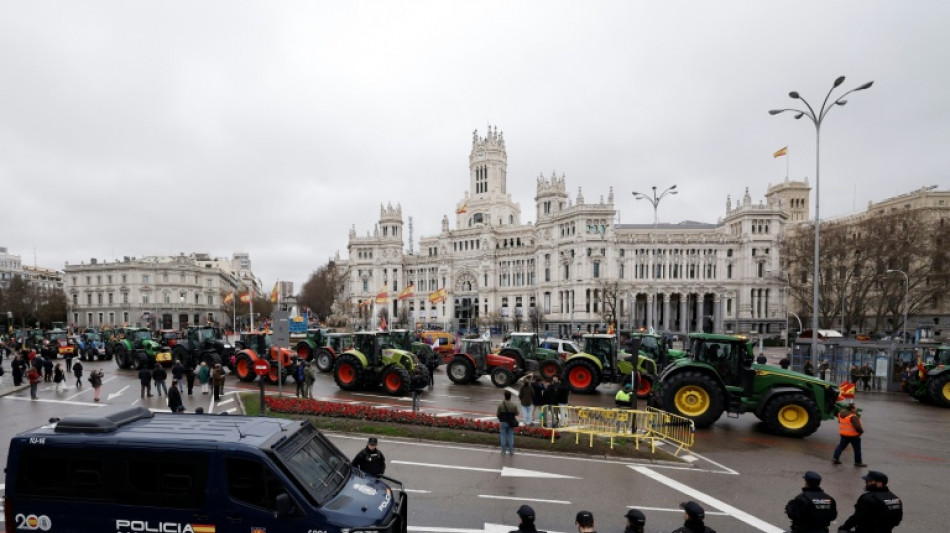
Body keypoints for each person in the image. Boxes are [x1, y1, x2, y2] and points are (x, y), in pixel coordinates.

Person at [838, 471, 903, 532]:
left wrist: (844, 528)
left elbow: (857, 517)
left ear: (879, 483)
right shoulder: (895, 498)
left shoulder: (868, 498)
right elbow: (898, 519)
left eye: (869, 481)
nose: (866, 483)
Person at [497, 390, 519, 455]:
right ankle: (511, 451)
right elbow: (517, 413)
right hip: (511, 422)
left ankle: (503, 451)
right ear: (510, 397)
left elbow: (497, 414)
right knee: (510, 436)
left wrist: (500, 418)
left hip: (503, 421)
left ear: (504, 396)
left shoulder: (501, 404)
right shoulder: (513, 404)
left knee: (503, 436)